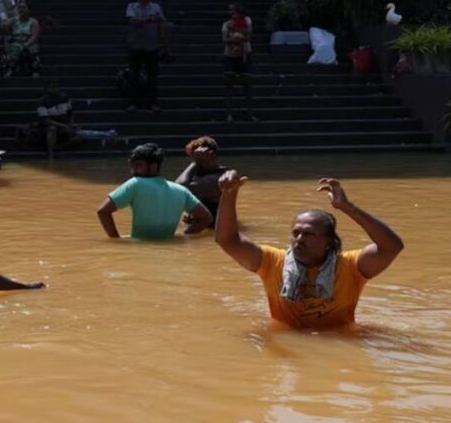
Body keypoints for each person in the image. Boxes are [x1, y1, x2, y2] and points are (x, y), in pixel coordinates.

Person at [215, 173, 405, 329]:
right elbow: (227, 240)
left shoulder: (350, 266)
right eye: (296, 233)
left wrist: (348, 208)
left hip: (337, 344)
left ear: (329, 243)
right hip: (288, 346)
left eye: (308, 234)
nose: (299, 239)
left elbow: (392, 247)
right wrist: (228, 194)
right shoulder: (272, 262)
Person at [97, 143, 212, 239]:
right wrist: (184, 236)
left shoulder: (136, 183)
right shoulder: (181, 190)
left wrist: (117, 241)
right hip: (169, 250)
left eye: (138, 166)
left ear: (154, 167)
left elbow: (103, 211)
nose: (133, 171)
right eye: (132, 166)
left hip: (140, 251)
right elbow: (206, 218)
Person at [125, 0, 166, 112]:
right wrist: (150, 19)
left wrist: (164, 43)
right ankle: (133, 103)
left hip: (152, 47)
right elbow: (133, 21)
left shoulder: (156, 7)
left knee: (152, 77)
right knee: (133, 76)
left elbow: (161, 24)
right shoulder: (131, 6)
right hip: (136, 47)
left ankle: (152, 103)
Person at [175, 136, 230, 228]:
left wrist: (195, 163)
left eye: (199, 159)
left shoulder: (221, 178)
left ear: (211, 155)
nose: (197, 165)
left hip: (216, 233)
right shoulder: (201, 174)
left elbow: (179, 189)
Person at [222, 3, 256, 121]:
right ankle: (229, 113)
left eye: (233, 10)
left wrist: (239, 37)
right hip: (230, 55)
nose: (230, 13)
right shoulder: (226, 24)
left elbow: (249, 34)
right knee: (229, 84)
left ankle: (249, 112)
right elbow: (224, 39)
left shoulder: (247, 21)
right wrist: (234, 39)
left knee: (247, 84)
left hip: (244, 55)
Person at [1, 0, 42, 77]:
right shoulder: (15, 20)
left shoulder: (33, 22)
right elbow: (4, 26)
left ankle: (34, 70)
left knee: (31, 49)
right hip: (16, 42)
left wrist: (26, 44)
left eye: (23, 7)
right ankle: (10, 69)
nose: (21, 9)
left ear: (28, 10)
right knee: (12, 48)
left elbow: (34, 36)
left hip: (29, 42)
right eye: (19, 8)